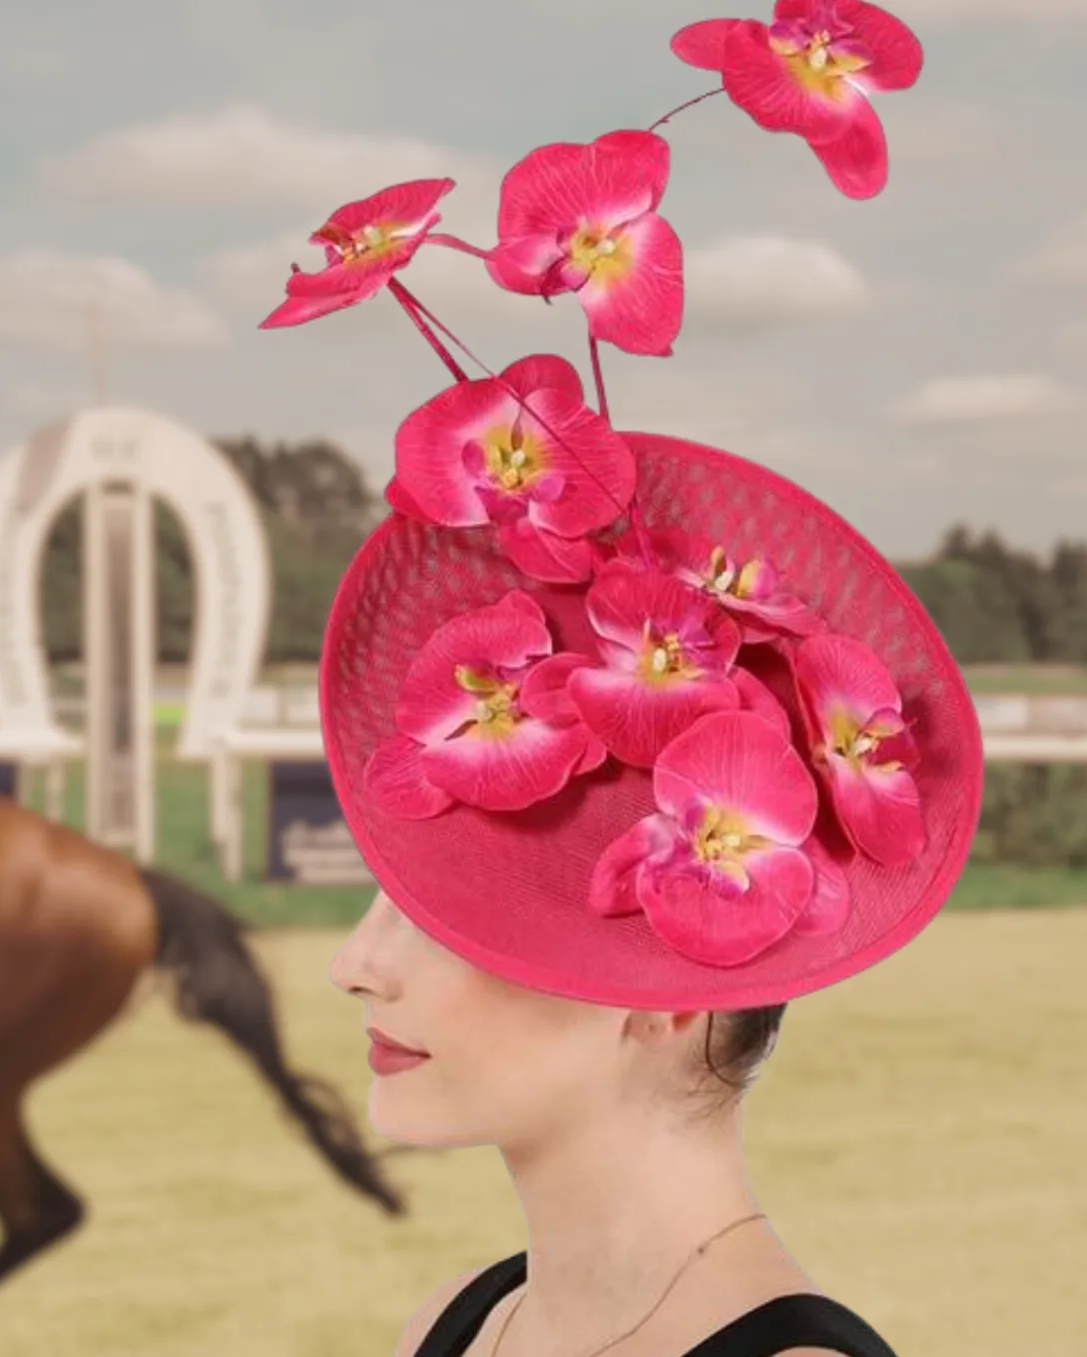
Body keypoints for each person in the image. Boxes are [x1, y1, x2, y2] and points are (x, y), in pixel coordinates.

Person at [266, 5, 974, 1354]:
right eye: (390, 902)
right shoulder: (454, 1329)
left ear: (667, 982)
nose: (357, 965)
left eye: (441, 909)